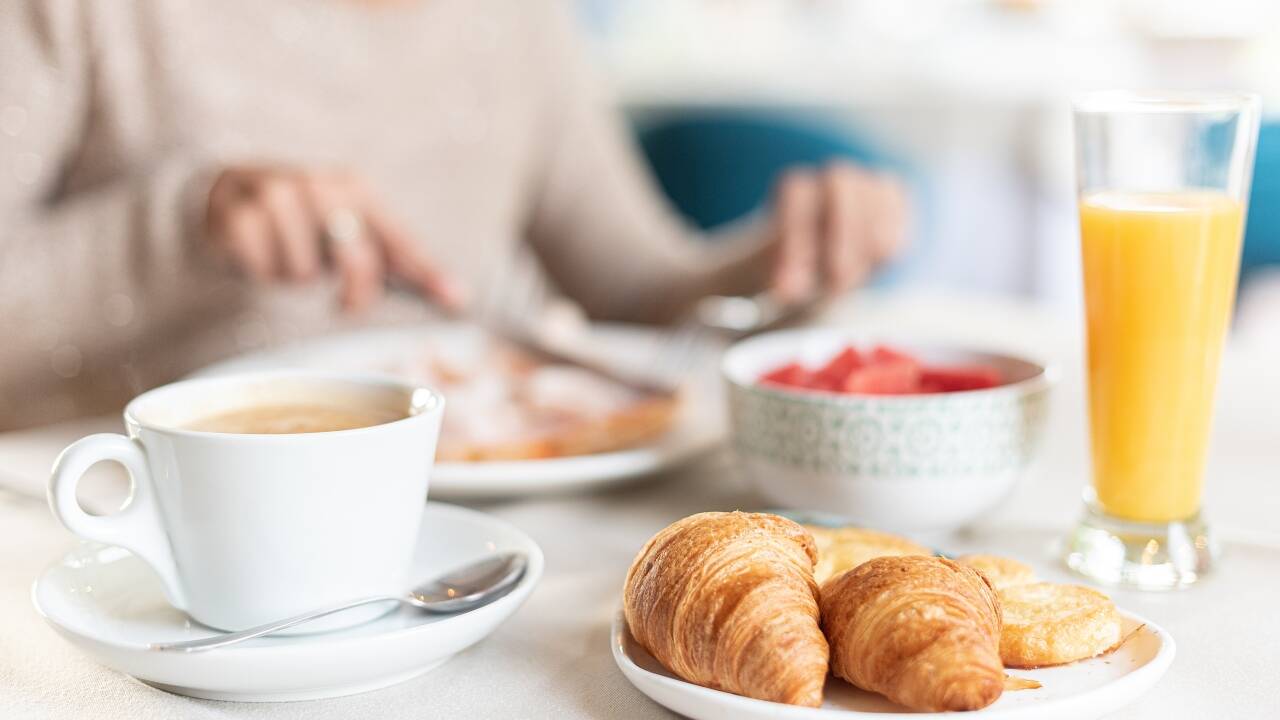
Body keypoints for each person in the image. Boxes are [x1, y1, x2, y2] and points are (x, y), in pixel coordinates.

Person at [0, 0, 907, 429]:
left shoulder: (514, 20)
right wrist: (182, 229)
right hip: (98, 538)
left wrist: (785, 266)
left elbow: (638, 294)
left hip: (441, 550)